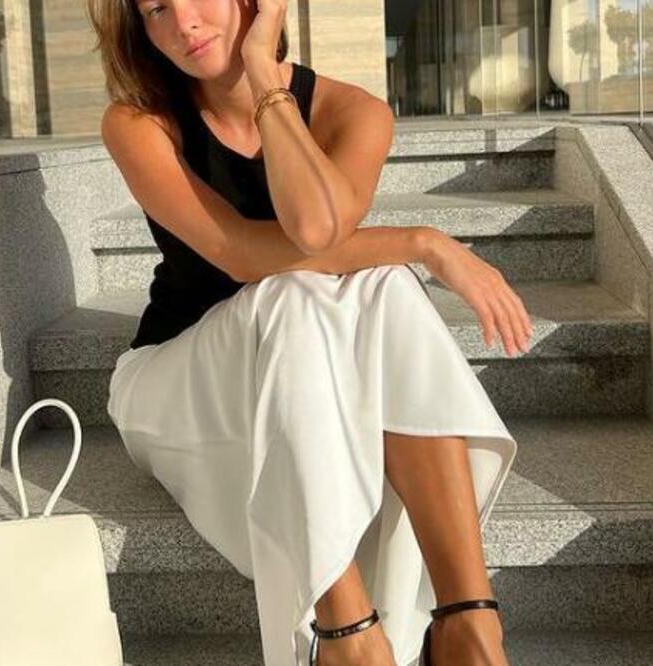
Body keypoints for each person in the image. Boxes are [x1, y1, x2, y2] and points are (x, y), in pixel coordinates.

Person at [87, 1, 532, 664]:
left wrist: (264, 75)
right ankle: (347, 630)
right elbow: (244, 255)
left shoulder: (356, 112)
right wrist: (424, 242)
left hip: (298, 372)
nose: (183, 22)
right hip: (179, 382)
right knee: (294, 292)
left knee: (385, 285)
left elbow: (317, 226)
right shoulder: (139, 122)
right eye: (155, 8)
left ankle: (468, 622)